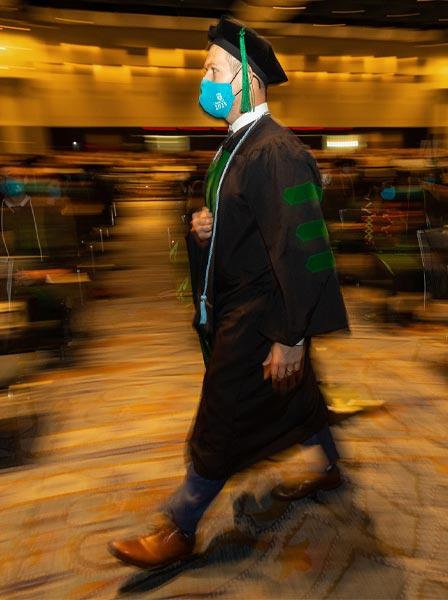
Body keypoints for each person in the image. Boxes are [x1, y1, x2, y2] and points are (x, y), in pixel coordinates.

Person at [109, 16, 349, 569]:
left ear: (248, 79)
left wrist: (292, 336)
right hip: (245, 304)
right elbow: (253, 226)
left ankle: (181, 525)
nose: (204, 79)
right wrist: (207, 228)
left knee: (220, 415)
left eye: (214, 69)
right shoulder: (237, 147)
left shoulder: (275, 151)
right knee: (301, 396)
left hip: (263, 315)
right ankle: (330, 466)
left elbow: (302, 250)